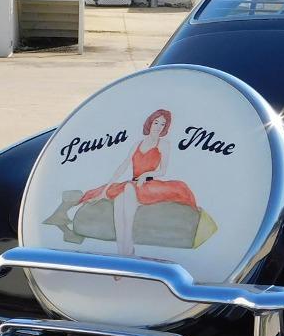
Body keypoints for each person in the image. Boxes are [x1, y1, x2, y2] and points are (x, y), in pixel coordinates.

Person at [70, 109, 197, 258]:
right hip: (134, 185)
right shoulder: (138, 144)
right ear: (150, 122)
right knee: (119, 199)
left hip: (149, 185)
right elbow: (124, 165)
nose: (158, 126)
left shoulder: (164, 144)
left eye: (162, 124)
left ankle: (127, 246)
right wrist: (108, 186)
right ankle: (124, 252)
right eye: (156, 122)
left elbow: (162, 170)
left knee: (128, 188)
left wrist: (146, 174)